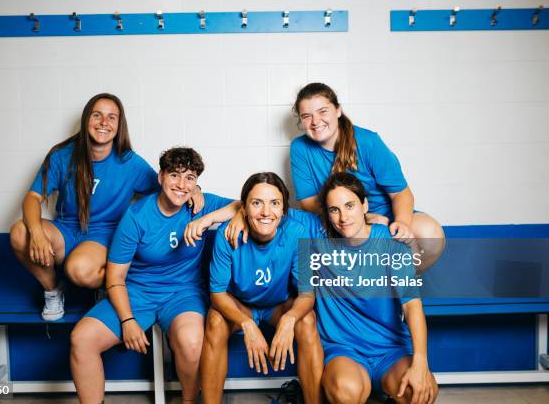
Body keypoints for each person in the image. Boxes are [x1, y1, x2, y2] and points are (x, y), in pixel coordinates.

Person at [9, 93, 203, 321]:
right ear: (86, 119)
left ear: (119, 125)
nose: (104, 122)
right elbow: (32, 198)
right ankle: (53, 290)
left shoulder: (129, 162)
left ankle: (112, 287)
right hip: (65, 232)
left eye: (112, 117)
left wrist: (196, 189)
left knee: (78, 269)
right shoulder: (62, 156)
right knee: (20, 232)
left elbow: (168, 186)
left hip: (104, 236)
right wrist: (37, 233)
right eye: (97, 115)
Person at [70, 147, 239, 404]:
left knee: (192, 343)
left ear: (196, 183)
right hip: (137, 294)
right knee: (81, 339)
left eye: (190, 178)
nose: (181, 185)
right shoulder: (136, 216)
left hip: (183, 294)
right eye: (175, 175)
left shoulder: (200, 206)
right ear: (160, 177)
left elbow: (245, 204)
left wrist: (207, 220)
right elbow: (115, 278)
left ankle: (189, 400)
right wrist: (127, 320)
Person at [290, 82, 445, 272]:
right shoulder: (299, 148)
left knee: (430, 233)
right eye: (307, 116)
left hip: (385, 218)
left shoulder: (368, 141)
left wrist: (401, 225)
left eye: (323, 111)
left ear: (338, 110)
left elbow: (401, 194)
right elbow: (308, 203)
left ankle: (398, 283)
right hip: (338, 219)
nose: (315, 121)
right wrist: (361, 218)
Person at [201, 172, 324, 404]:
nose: (266, 212)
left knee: (306, 320)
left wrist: (289, 320)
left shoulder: (297, 232)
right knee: (215, 321)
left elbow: (307, 293)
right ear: (244, 209)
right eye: (257, 203)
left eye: (274, 203)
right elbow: (217, 294)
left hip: (277, 305)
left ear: (284, 210)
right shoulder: (227, 235)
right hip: (241, 306)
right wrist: (246, 324)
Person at [315, 172, 437, 404]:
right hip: (345, 348)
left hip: (390, 348)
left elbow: (412, 306)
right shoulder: (317, 241)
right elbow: (272, 213)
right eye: (334, 210)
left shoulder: (391, 243)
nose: (343, 217)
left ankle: (387, 391)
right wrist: (239, 215)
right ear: (327, 215)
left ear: (364, 205)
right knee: (345, 392)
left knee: (422, 392)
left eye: (349, 205)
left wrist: (421, 363)